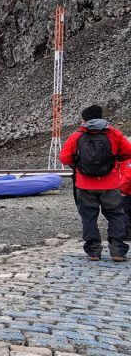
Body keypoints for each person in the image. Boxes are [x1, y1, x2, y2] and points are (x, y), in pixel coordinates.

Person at [59, 105, 131, 261]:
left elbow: (64, 158)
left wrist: (78, 165)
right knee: (115, 216)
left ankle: (93, 251)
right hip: (110, 184)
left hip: (85, 185)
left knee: (89, 217)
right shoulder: (114, 134)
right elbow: (128, 153)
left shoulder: (77, 136)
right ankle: (118, 250)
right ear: (101, 117)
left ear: (84, 120)